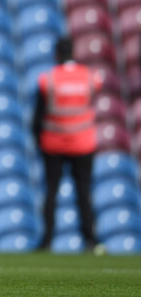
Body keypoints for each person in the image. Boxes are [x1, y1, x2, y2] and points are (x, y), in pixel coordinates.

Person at [34, 37, 103, 252]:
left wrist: (38, 140)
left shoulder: (48, 79)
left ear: (56, 55)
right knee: (83, 192)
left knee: (51, 192)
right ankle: (90, 240)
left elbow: (37, 117)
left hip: (53, 143)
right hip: (83, 143)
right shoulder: (89, 77)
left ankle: (47, 240)